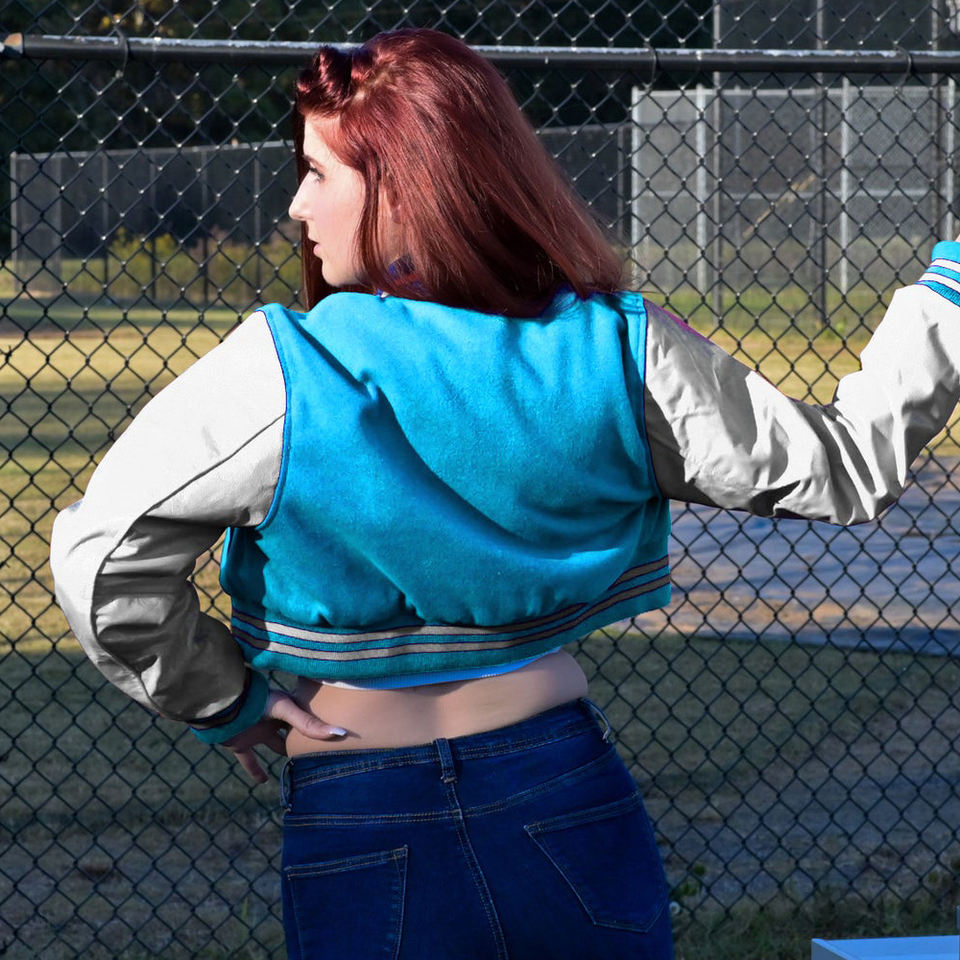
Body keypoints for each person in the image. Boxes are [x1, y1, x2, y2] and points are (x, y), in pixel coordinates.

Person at [50, 27, 960, 960]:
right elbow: (846, 464)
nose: (296, 204)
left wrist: (223, 700)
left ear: (405, 184)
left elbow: (101, 563)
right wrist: (951, 291)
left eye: (318, 172)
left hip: (359, 797)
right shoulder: (618, 350)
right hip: (565, 791)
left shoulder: (277, 374)